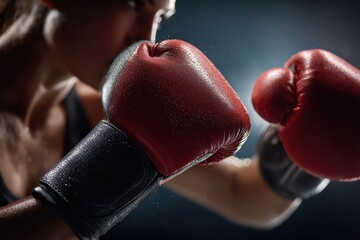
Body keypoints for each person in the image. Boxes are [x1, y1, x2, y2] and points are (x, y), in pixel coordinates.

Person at [1, 0, 358, 239]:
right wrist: (99, 184)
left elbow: (245, 196)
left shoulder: (102, 111)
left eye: (159, 17)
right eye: (134, 4)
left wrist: (312, 141)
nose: (145, 37)